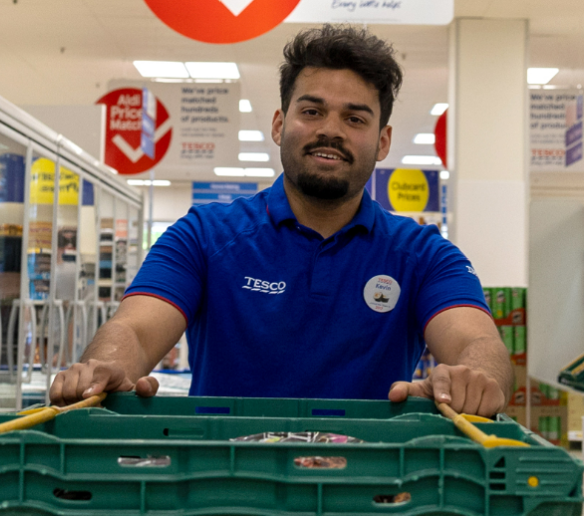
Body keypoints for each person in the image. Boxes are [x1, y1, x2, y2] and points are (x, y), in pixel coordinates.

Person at [50, 25, 513, 417]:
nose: (330, 129)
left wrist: (475, 379)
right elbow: (134, 329)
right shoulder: (202, 236)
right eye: (312, 111)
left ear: (384, 139)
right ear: (278, 124)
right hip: (222, 484)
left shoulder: (425, 255)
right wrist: (107, 367)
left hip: (372, 492)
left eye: (355, 118)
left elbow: (477, 341)